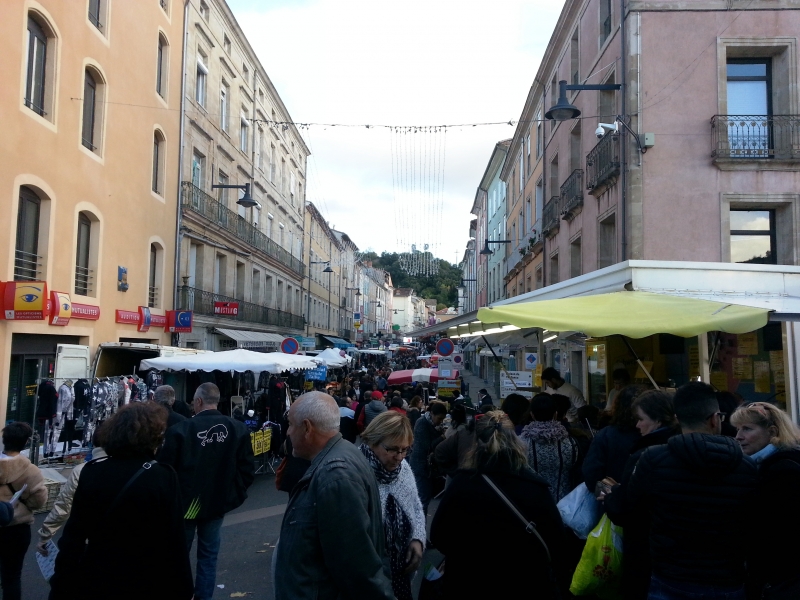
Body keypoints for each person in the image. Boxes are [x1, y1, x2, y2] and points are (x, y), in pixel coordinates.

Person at [627, 382, 757, 599]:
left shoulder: (652, 459)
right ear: (715, 419)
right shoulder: (747, 467)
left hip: (670, 575)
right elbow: (753, 524)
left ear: (677, 419)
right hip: (727, 579)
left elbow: (635, 510)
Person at [49, 403, 192, 600]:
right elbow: (174, 539)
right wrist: (182, 588)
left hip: (97, 574)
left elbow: (75, 534)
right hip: (145, 576)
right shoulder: (162, 477)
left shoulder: (92, 471)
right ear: (154, 437)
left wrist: (61, 581)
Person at [430, 411, 565, 599]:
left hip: (468, 582)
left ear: (476, 443)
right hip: (527, 583)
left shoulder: (462, 485)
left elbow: (439, 536)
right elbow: (555, 539)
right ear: (516, 441)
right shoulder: (535, 488)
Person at [274, 392, 394, 600]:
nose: (288, 432)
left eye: (291, 425)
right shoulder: (340, 459)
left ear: (307, 428)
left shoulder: (335, 476)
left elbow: (357, 564)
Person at [158, 383, 255, 600]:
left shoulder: (180, 431)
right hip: (217, 503)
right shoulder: (237, 428)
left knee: (178, 556)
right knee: (208, 556)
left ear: (199, 401)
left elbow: (165, 472)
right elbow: (247, 469)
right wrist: (231, 495)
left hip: (185, 506)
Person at [603, 390, 680, 600]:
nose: (637, 426)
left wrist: (611, 495)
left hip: (644, 547)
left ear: (658, 419)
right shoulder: (681, 447)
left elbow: (624, 507)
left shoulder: (645, 457)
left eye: (641, 419)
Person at [730, 402, 800, 598]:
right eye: (737, 429)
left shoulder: (782, 472)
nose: (738, 436)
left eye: (747, 429)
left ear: (772, 431)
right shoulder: (773, 464)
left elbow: (773, 538)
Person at [360, 412, 425, 600]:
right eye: (393, 449)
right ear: (373, 441)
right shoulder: (355, 471)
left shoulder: (404, 469)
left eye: (405, 449)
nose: (399, 457)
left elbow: (416, 508)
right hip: (370, 581)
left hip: (400, 575)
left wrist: (417, 539)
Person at [37, 432, 108, 555]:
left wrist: (45, 535)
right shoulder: (136, 471)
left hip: (84, 541)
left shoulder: (83, 470)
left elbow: (63, 507)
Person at [0, 422, 47, 600]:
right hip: (16, 530)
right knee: (12, 577)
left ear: (4, 440)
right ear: (25, 443)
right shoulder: (31, 471)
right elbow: (39, 502)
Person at [583, 385, 643, 494]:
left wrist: (612, 496)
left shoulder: (606, 435)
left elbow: (592, 474)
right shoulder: (660, 435)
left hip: (612, 502)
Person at [519, 394, 579, 502]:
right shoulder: (571, 443)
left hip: (531, 504)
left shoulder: (519, 443)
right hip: (564, 504)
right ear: (556, 414)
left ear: (532, 415)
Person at [409, 401, 447, 515]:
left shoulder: (431, 424)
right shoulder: (422, 423)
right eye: (439, 418)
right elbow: (426, 446)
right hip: (420, 466)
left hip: (428, 468)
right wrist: (443, 437)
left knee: (425, 498)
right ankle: (420, 528)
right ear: (432, 414)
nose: (440, 421)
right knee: (422, 500)